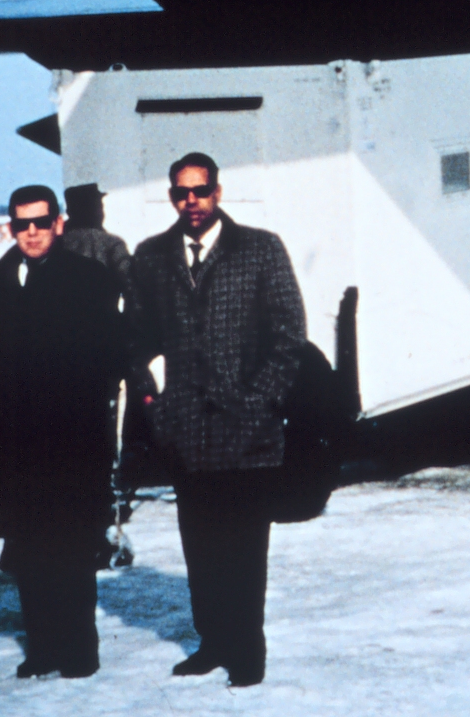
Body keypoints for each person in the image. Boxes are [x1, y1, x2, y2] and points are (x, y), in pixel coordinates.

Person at [128, 152, 306, 687]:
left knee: (245, 548)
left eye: (200, 191)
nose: (192, 202)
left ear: (218, 192)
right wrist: (155, 406)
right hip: (186, 434)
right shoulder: (152, 256)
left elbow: (289, 337)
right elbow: (136, 341)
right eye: (182, 193)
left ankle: (247, 652)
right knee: (201, 546)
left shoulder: (260, 248)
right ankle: (212, 641)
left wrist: (259, 403)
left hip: (248, 432)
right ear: (171, 197)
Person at [0, 185, 128, 680]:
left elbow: (109, 355)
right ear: (11, 227)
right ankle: (41, 648)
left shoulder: (90, 278)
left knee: (75, 547)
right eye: (22, 224)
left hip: (73, 440)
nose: (32, 232)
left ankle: (80, 650)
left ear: (59, 224)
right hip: (16, 445)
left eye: (41, 222)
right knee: (30, 548)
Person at [60, 183, 132, 299]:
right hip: (104, 314)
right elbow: (130, 284)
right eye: (100, 207)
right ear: (94, 210)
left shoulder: (54, 242)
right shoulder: (111, 243)